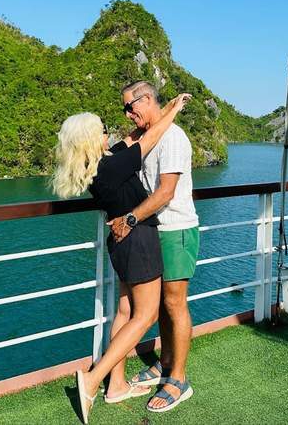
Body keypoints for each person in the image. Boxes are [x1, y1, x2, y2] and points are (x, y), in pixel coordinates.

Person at [51, 93, 191, 424]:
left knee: (125, 310)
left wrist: (148, 117)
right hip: (138, 239)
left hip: (120, 243)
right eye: (101, 130)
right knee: (145, 316)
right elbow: (151, 136)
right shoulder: (112, 165)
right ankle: (94, 377)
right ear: (90, 139)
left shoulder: (97, 165)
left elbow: (131, 139)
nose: (108, 133)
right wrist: (174, 109)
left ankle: (116, 385)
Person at [110, 81, 200, 413]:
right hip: (154, 231)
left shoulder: (173, 137)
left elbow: (165, 192)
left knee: (175, 304)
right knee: (161, 304)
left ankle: (179, 379)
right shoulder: (149, 137)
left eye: (130, 107)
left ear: (147, 100)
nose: (128, 114)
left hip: (176, 231)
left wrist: (129, 220)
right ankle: (164, 364)